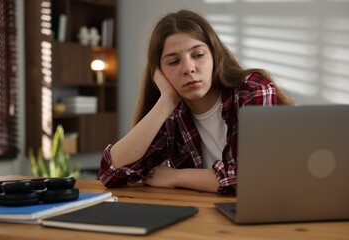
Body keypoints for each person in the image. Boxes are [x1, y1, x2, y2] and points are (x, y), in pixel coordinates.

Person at [99, 9, 292, 195]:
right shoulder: (172, 115)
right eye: (174, 62)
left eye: (198, 55)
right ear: (160, 73)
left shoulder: (253, 89)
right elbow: (111, 173)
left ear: (215, 56)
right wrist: (166, 100)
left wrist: (176, 177)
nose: (188, 68)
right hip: (205, 218)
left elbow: (256, 177)